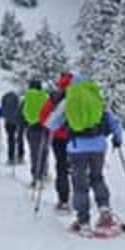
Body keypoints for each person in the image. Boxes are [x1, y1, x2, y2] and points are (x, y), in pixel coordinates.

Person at [46, 73, 123, 233]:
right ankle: (105, 211)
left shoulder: (69, 100)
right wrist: (117, 138)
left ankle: (83, 222)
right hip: (99, 146)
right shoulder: (97, 99)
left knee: (80, 184)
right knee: (97, 177)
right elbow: (114, 122)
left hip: (77, 147)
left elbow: (51, 124)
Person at [39, 72, 73, 211]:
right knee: (79, 167)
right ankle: (82, 197)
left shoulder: (55, 97)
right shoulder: (81, 95)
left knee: (61, 168)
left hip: (59, 138)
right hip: (79, 137)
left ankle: (63, 200)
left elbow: (44, 117)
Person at [21, 79, 50, 188]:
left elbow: (22, 113)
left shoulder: (27, 98)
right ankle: (43, 173)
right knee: (44, 151)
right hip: (45, 128)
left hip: (32, 128)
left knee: (34, 153)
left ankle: (35, 177)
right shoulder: (46, 97)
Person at [0, 90, 25, 164]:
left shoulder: (5, 99)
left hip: (9, 122)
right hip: (19, 122)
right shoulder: (19, 100)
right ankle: (20, 156)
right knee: (20, 138)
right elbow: (22, 110)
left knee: (11, 139)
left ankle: (11, 157)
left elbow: (2, 111)